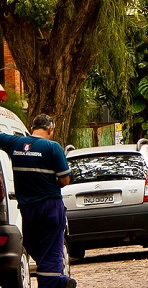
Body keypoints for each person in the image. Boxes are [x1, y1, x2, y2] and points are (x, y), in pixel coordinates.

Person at [0, 114, 76, 288]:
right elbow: (64, 180)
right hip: (50, 206)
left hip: (28, 209)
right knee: (50, 249)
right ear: (50, 129)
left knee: (34, 246)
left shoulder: (14, 143)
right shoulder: (52, 147)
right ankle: (56, 283)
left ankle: (57, 281)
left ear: (32, 127)